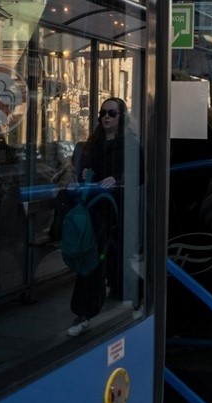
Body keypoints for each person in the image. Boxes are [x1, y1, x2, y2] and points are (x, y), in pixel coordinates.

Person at [67, 97, 136, 336]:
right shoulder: (92, 145)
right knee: (93, 259)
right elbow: (82, 172)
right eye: (103, 113)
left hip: (119, 211)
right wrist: (86, 173)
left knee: (116, 257)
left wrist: (117, 180)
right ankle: (84, 312)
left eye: (112, 113)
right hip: (97, 210)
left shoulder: (130, 144)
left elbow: (140, 173)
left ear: (121, 118)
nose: (106, 117)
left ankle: (122, 297)